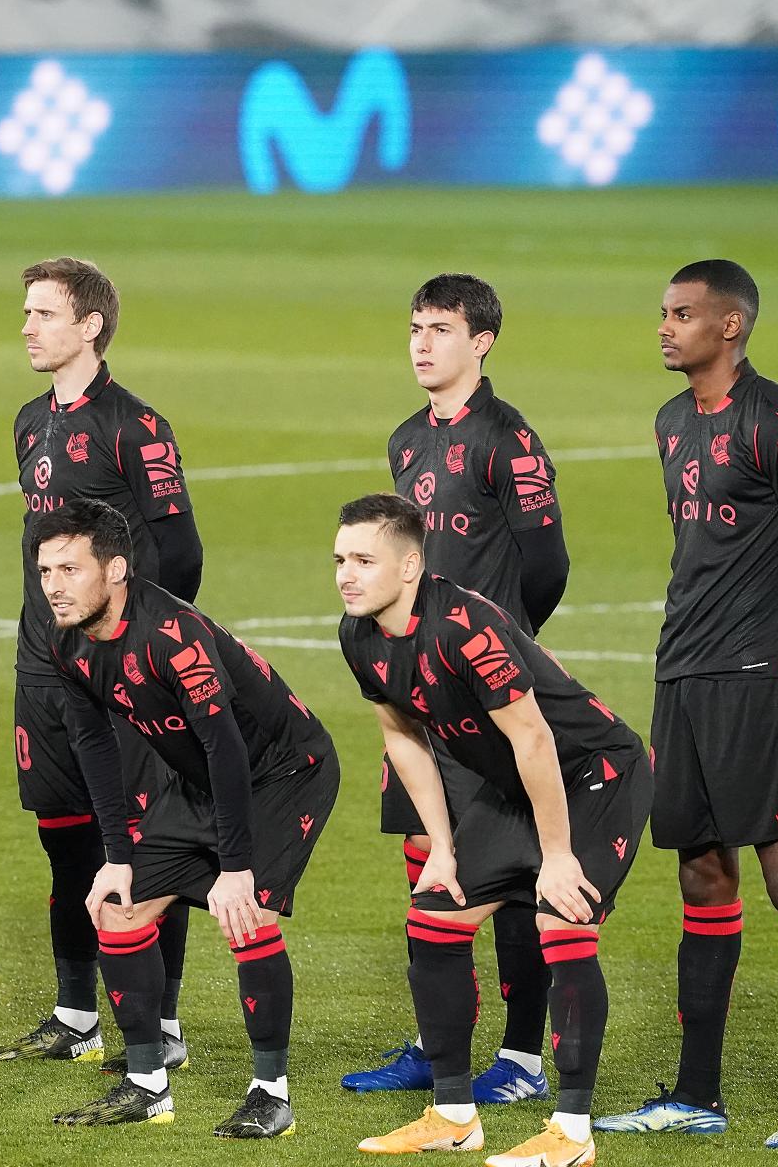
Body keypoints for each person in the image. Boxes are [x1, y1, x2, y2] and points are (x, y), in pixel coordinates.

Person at [596, 260, 778, 1149]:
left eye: (682, 315)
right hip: (684, 676)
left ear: (732, 325)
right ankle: (696, 1095)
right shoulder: (671, 422)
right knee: (701, 875)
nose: (665, 327)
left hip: (755, 679)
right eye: (662, 313)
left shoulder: (775, 419)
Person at [335, 493, 651, 1166]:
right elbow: (406, 738)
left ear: (411, 565)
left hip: (595, 775)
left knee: (561, 923)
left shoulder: (464, 627)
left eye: (365, 559)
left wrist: (558, 857)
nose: (347, 574)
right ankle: (453, 1116)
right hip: (516, 788)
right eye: (340, 559)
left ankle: (571, 1134)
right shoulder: (357, 634)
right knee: (434, 916)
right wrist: (443, 851)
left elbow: (535, 738)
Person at [33, 499, 338, 1134]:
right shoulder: (70, 642)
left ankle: (271, 1092)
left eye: (69, 569)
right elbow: (93, 744)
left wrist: (236, 866)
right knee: (116, 906)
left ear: (116, 570)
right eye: (45, 572)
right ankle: (148, 1084)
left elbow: (228, 747)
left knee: (244, 915)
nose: (54, 587)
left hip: (285, 772)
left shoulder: (173, 636)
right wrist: (117, 855)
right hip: (201, 775)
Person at [344, 273, 567, 1103]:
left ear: (483, 342)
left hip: (483, 693)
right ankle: (438, 1042)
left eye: (440, 328)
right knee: (424, 857)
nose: (422, 343)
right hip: (418, 687)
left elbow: (548, 565)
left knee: (508, 875)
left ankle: (521, 1061)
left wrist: (503, 648)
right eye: (414, 327)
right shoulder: (407, 438)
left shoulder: (510, 441)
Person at [0, 257, 204, 1074]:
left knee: (145, 846)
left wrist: (134, 648)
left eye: (44, 313)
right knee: (64, 841)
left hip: (116, 675)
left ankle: (164, 1025)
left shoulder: (135, 427)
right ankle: (77, 1014)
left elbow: (179, 550)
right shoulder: (27, 422)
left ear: (91, 326)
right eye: (27, 312)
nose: (28, 327)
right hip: (43, 667)